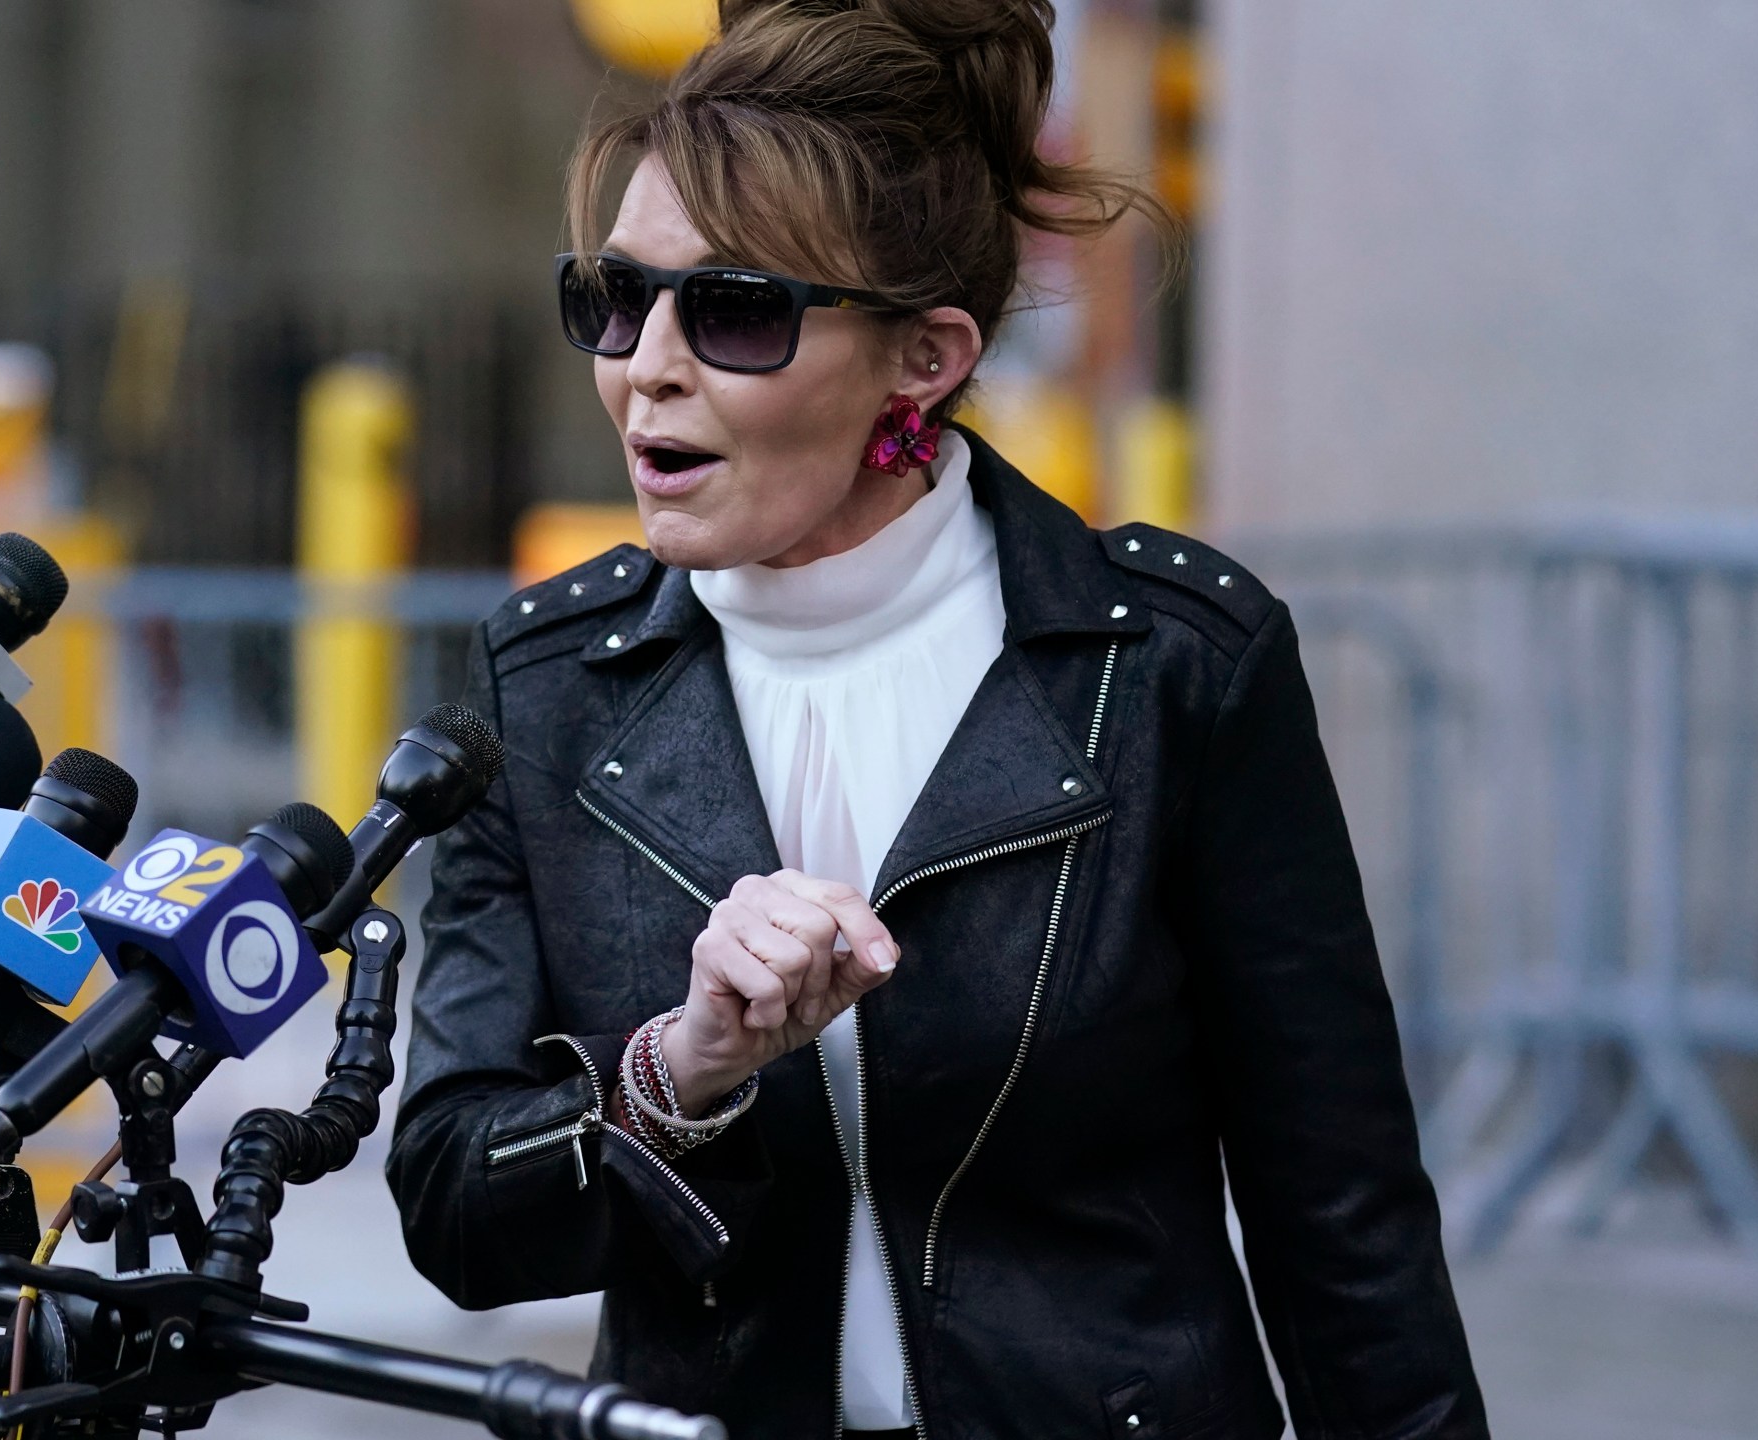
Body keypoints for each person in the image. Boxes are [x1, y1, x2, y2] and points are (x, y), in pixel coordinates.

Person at [385, 2, 1490, 1436]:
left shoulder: (1169, 669)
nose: (643, 363)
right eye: (614, 296)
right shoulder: (541, 684)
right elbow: (462, 1220)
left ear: (925, 356)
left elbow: (1343, 1224)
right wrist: (681, 1071)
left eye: (732, 310)